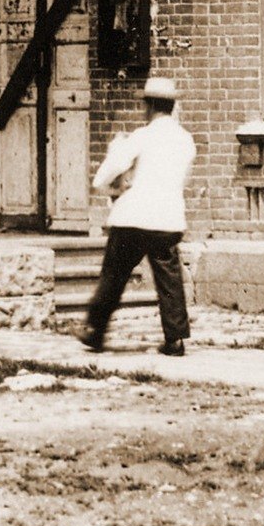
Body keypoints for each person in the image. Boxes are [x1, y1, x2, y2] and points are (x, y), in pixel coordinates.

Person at [81, 74, 194, 355]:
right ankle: (175, 339)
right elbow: (182, 181)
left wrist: (106, 175)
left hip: (133, 216)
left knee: (114, 275)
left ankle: (95, 331)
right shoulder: (186, 141)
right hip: (167, 218)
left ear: (151, 106)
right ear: (170, 106)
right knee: (169, 279)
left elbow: (110, 170)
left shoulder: (142, 136)